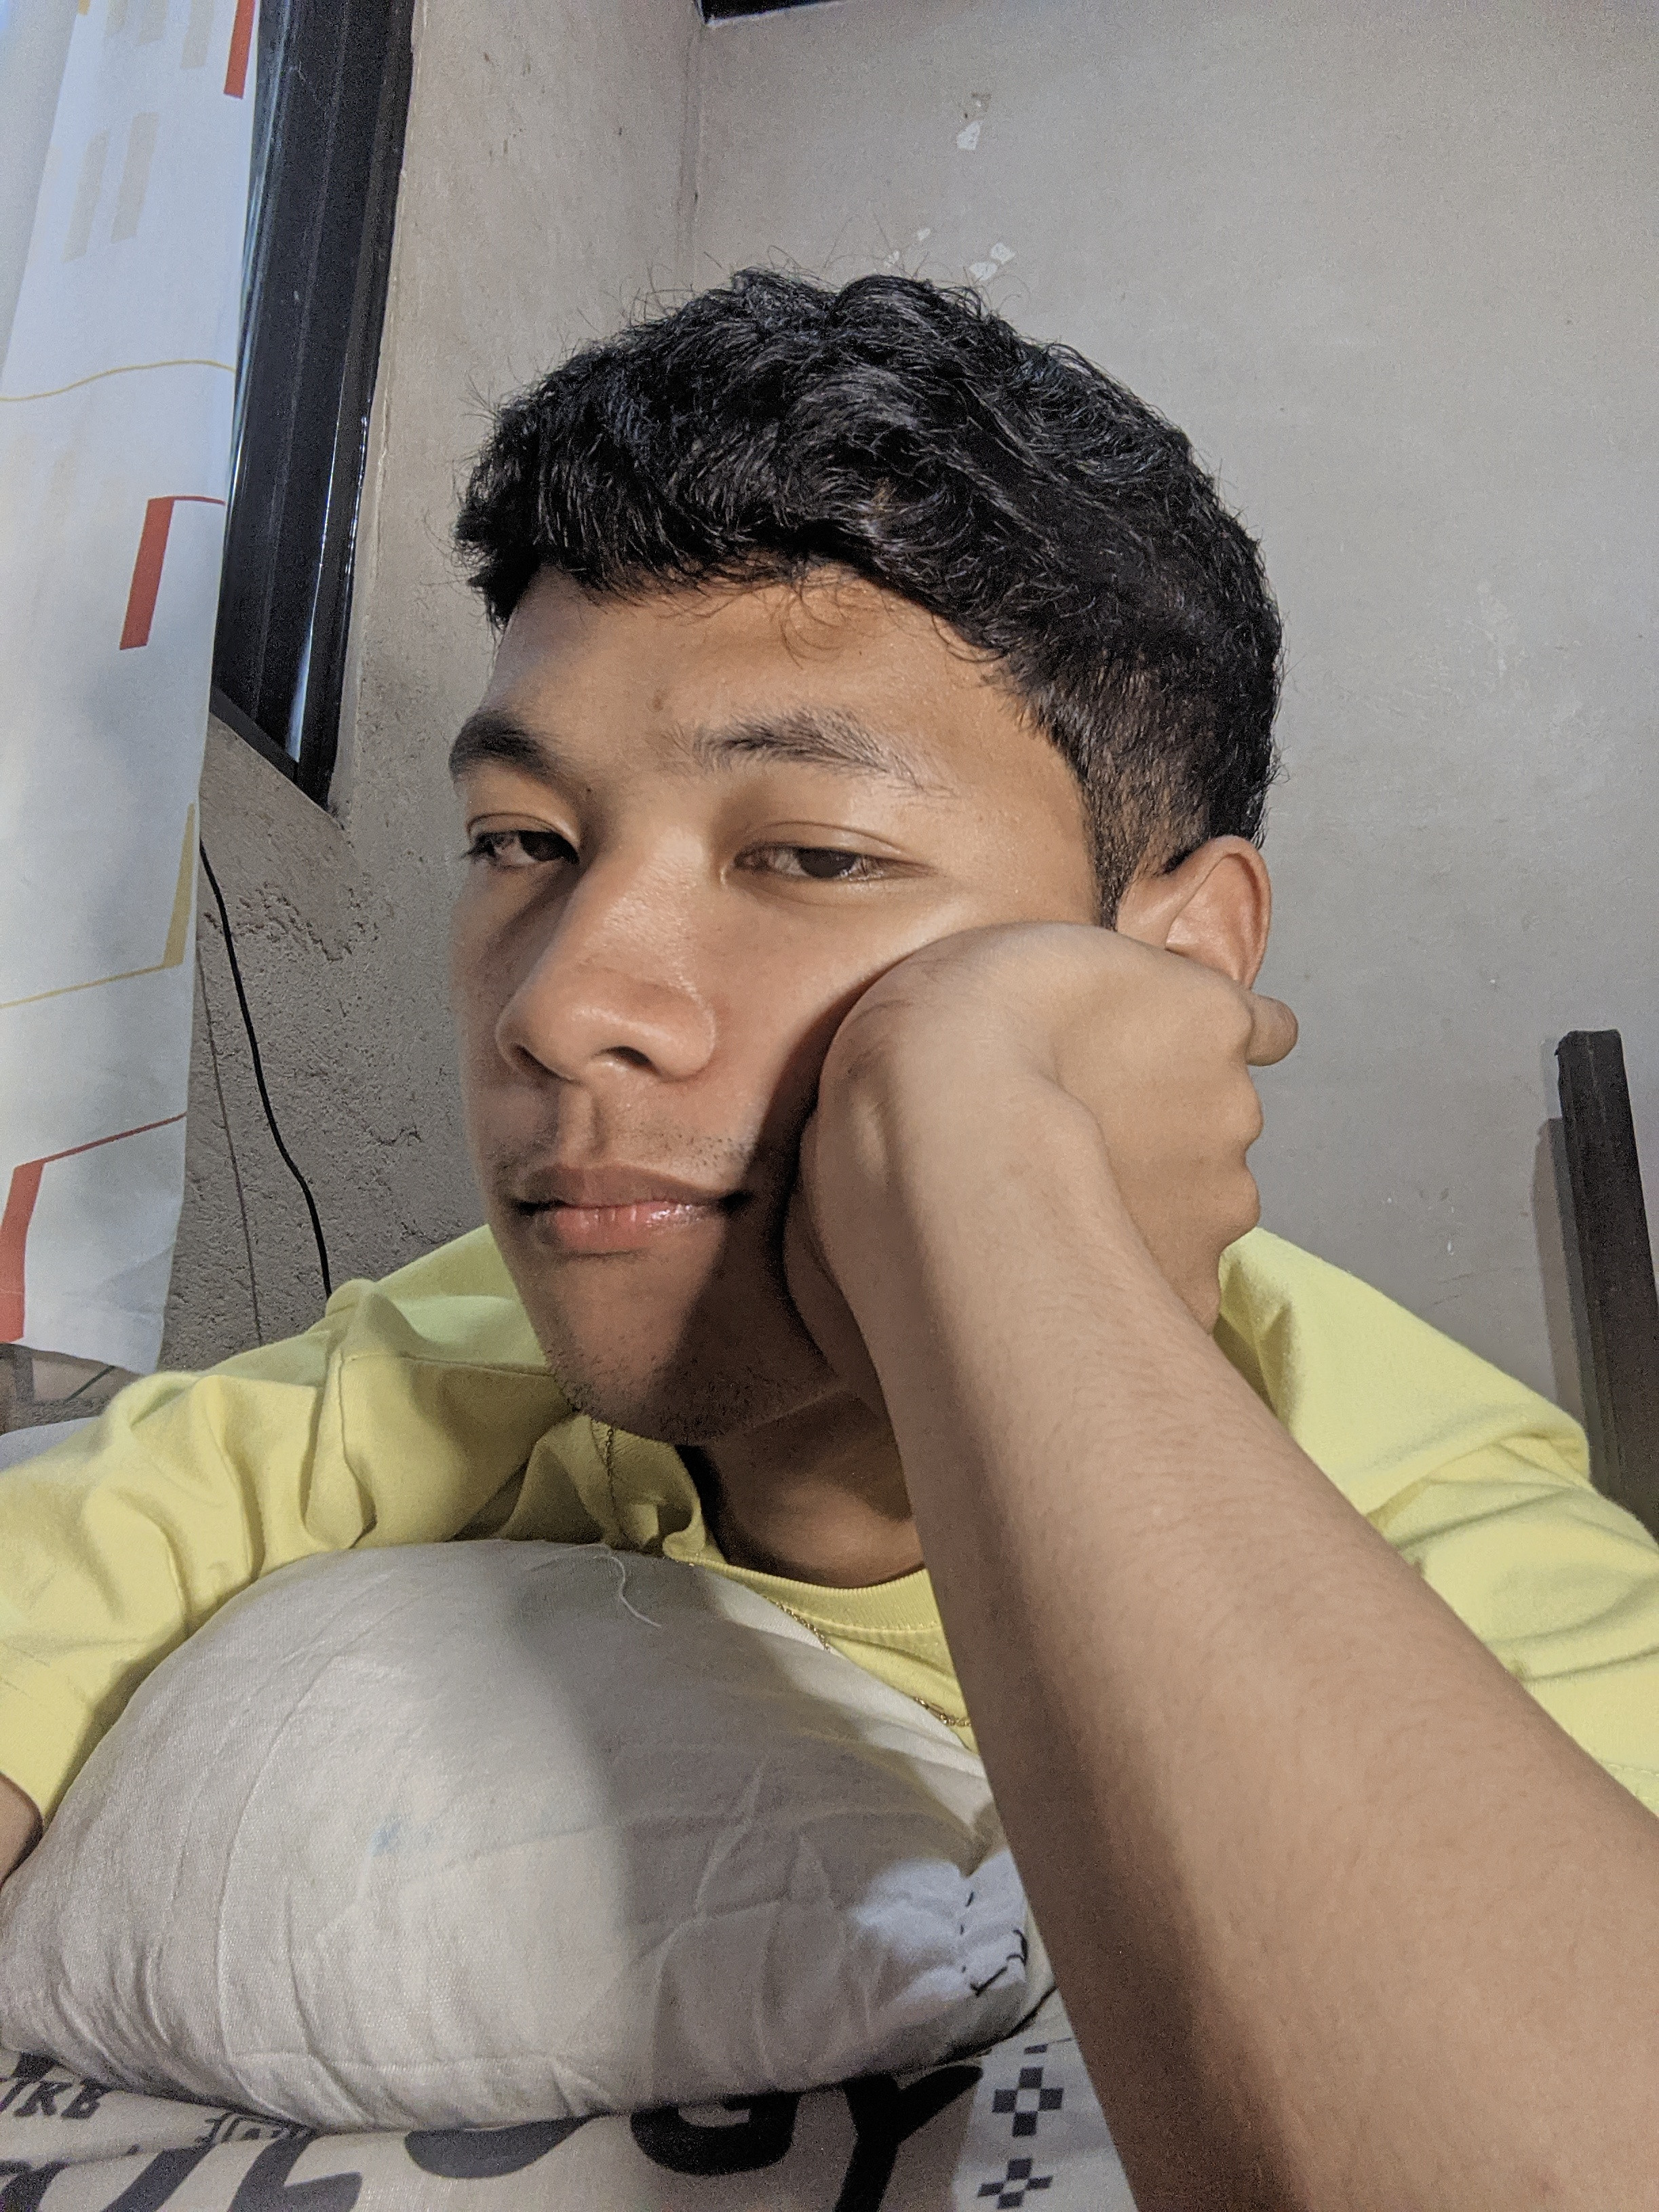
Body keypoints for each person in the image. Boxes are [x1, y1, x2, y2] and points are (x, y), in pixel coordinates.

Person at [4, 269, 1659, 2205]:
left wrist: (981, 1146)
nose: (560, 1005)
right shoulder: (442, 1369)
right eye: (523, 844)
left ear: (1183, 957)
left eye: (811, 855)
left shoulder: (1446, 1516)